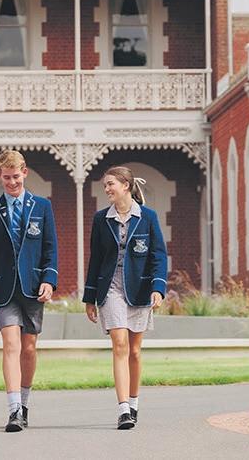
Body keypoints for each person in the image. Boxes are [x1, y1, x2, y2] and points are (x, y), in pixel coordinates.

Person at [0, 150, 58, 432]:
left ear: (25, 172)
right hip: (4, 289)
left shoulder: (42, 207)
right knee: (11, 345)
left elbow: (50, 247)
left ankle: (24, 403)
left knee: (29, 348)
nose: (12, 182)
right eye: (7, 177)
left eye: (16, 177)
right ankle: (13, 411)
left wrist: (49, 279)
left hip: (33, 287)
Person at [83, 166, 167, 430]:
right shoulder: (101, 219)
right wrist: (89, 297)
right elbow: (96, 259)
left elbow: (158, 255)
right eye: (105, 185)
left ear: (126, 186)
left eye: (111, 184)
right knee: (119, 344)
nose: (107, 189)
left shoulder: (148, 217)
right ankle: (123, 411)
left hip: (139, 288)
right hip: (110, 288)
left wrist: (158, 287)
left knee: (134, 351)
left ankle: (134, 402)